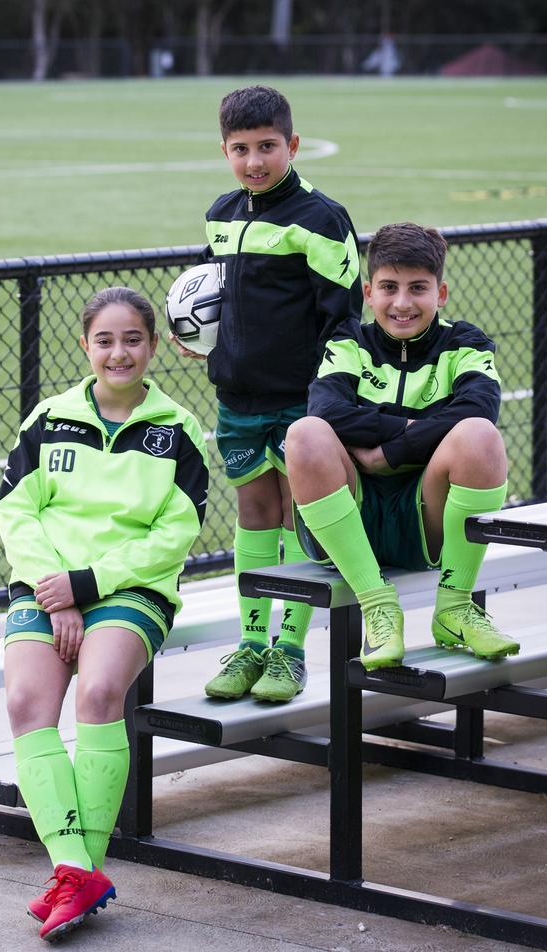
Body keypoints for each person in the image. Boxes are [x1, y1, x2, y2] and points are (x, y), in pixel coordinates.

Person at [0, 287, 208, 941]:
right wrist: (50, 586)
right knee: (26, 703)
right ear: (85, 346)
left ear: (152, 346)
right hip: (47, 585)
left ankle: (75, 875)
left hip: (130, 588)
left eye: (133, 339)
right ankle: (75, 869)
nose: (119, 352)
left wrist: (87, 586)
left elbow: (176, 532)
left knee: (98, 689)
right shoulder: (48, 419)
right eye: (105, 340)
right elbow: (16, 512)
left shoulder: (177, 429)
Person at [171, 84, 361, 703]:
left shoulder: (321, 219)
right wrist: (193, 335)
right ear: (224, 150)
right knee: (255, 513)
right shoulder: (222, 214)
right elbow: (208, 291)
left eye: (267, 147)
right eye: (241, 148)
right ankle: (253, 641)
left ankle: (290, 649)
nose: (255, 161)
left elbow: (344, 318)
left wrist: (326, 398)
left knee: (297, 515)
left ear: (293, 145)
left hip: (300, 404)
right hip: (238, 399)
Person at [285, 221, 519, 670]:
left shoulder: (466, 343)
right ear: (369, 292)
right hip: (349, 518)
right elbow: (328, 411)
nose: (402, 303)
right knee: (305, 433)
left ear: (441, 293)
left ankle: (453, 606)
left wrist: (389, 452)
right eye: (389, 287)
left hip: (423, 518)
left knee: (479, 437)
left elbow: (479, 411)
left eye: (418, 288)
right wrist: (417, 426)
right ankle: (377, 605)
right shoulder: (348, 341)